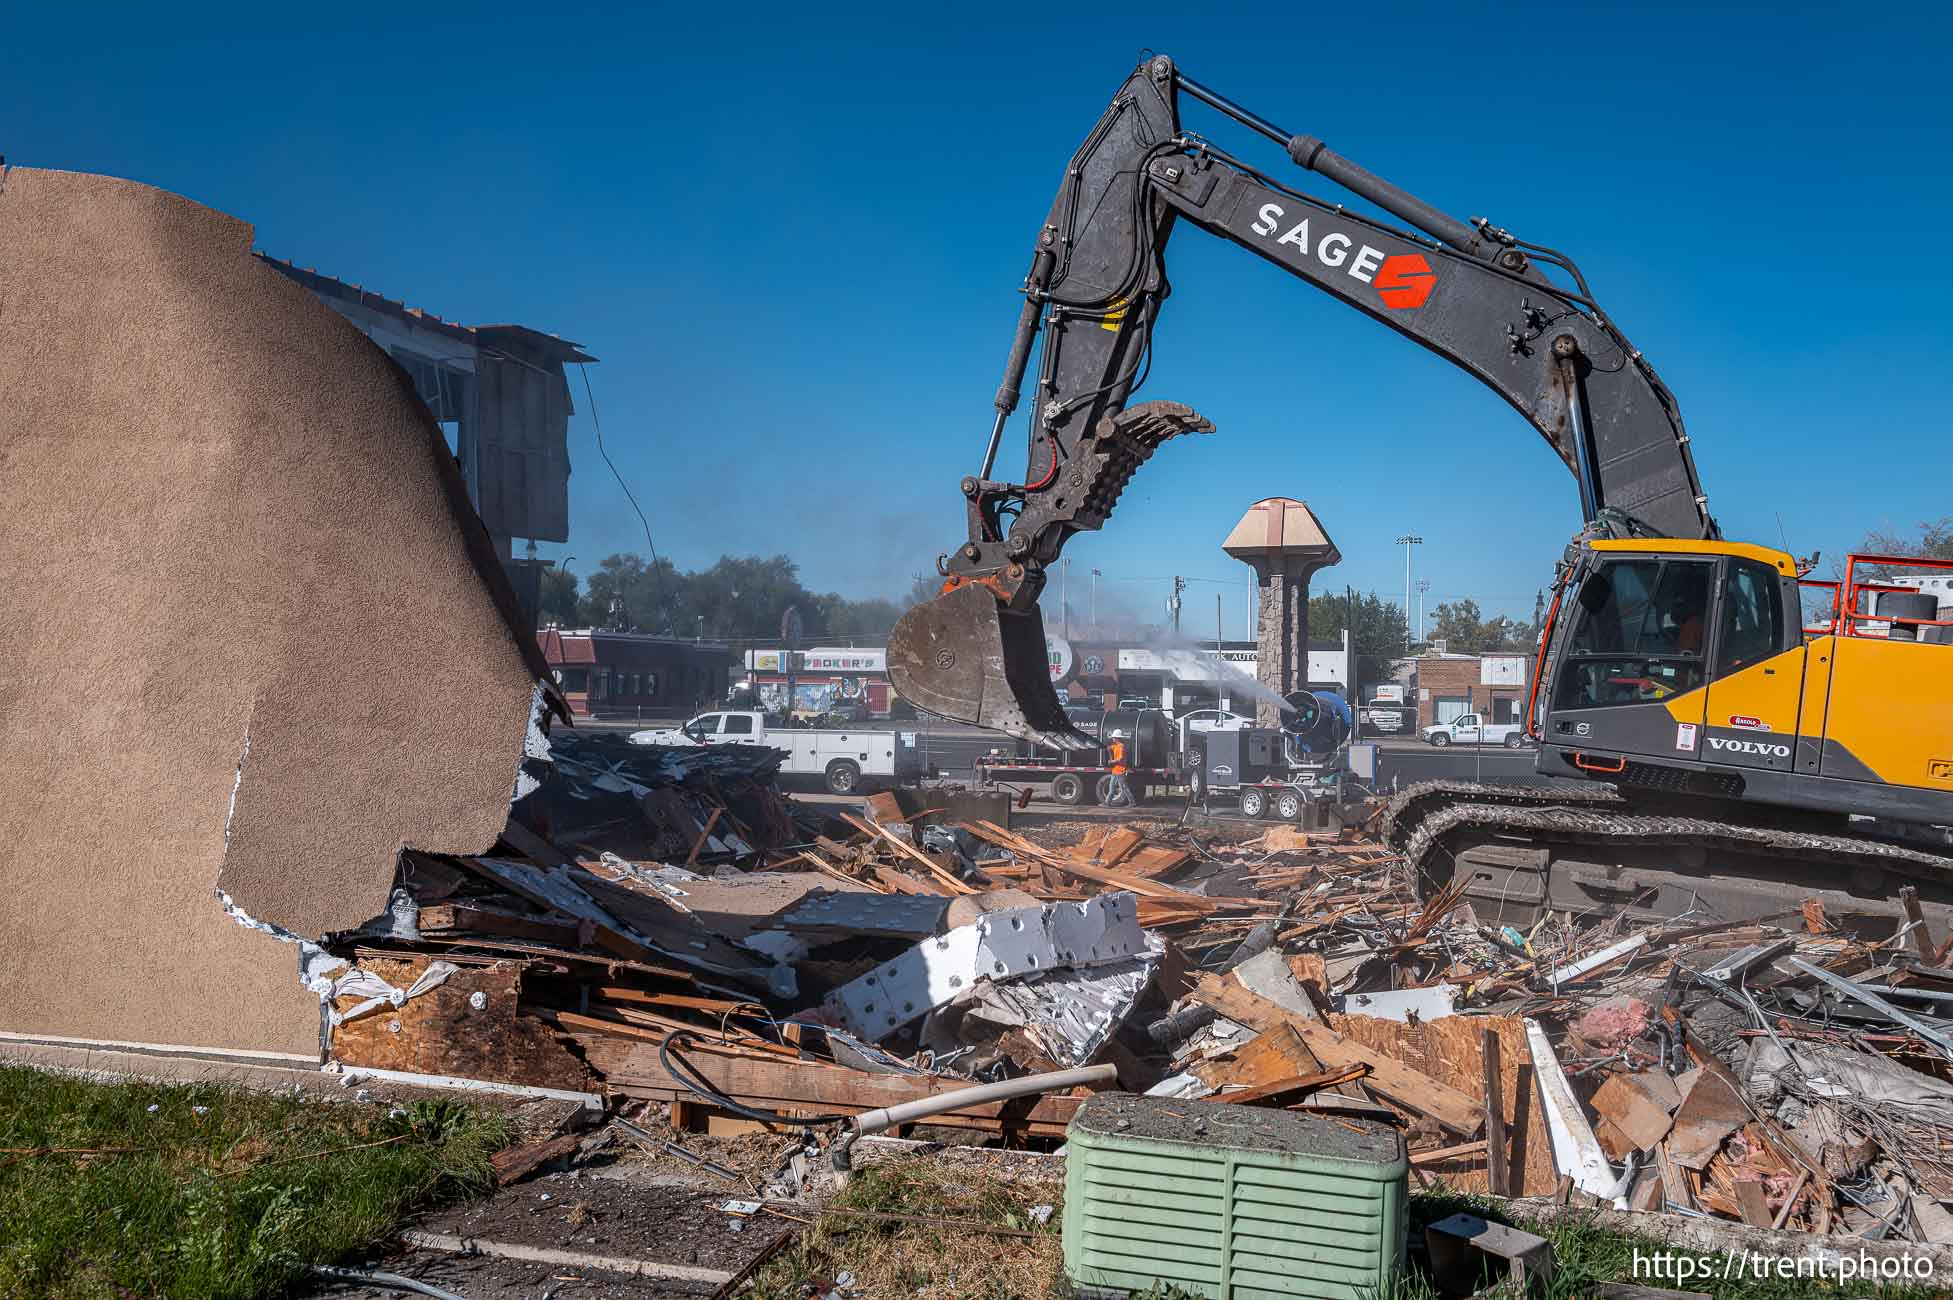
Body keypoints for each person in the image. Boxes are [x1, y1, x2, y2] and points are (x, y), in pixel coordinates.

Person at [1104, 737, 1132, 807]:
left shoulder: (1121, 746)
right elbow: (1109, 748)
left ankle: (1132, 802)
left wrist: (1112, 761)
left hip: (1121, 771)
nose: (1112, 739)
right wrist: (1108, 750)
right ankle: (1107, 803)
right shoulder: (1115, 746)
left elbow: (1120, 759)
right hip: (1115, 771)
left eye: (1113, 738)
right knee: (1112, 787)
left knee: (1124, 788)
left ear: (1117, 738)